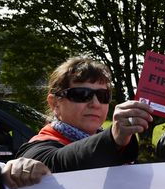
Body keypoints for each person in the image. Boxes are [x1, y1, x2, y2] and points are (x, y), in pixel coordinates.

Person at [16, 57, 153, 171]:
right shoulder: (36, 150)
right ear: (54, 103)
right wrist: (113, 138)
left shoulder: (117, 144)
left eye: (103, 96)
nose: (95, 103)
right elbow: (57, 162)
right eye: (81, 94)